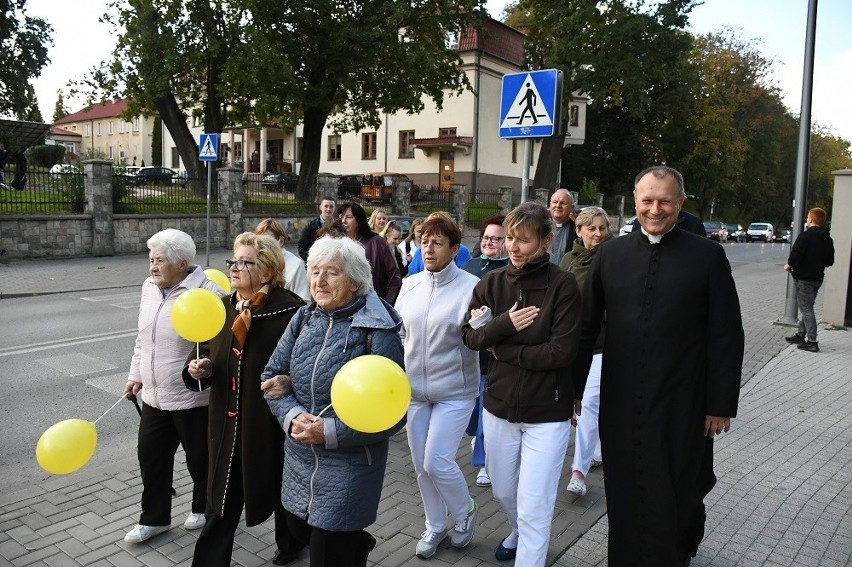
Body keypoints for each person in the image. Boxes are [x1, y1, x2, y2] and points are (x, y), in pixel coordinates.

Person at [575, 165, 743, 565]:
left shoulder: (707, 255)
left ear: (680, 203)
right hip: (622, 401)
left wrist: (719, 404)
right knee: (624, 486)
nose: (655, 209)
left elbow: (726, 333)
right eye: (647, 200)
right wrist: (572, 390)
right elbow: (584, 327)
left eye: (665, 201)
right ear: (634, 201)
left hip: (682, 399)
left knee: (679, 488)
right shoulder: (610, 255)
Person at [263, 237, 405, 567]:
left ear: (355, 281)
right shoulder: (303, 318)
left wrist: (328, 431)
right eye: (314, 272)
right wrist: (293, 416)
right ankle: (355, 542)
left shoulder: (377, 330)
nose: (319, 281)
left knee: (327, 552)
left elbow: (394, 414)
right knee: (299, 528)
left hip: (350, 463)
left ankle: (347, 544)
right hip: (300, 455)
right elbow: (271, 376)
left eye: (332, 273)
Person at [462, 202, 582, 565]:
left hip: (547, 412)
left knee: (535, 502)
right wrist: (504, 326)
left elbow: (560, 352)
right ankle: (517, 531)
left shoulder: (563, 286)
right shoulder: (492, 283)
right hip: (498, 407)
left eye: (524, 240)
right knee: (502, 489)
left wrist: (503, 349)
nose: (513, 247)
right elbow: (469, 337)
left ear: (546, 241)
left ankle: (529, 552)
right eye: (510, 238)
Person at [184, 232, 305, 567]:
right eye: (233, 261)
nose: (234, 269)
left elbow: (307, 368)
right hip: (225, 424)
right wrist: (201, 368)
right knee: (219, 500)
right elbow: (209, 354)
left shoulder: (291, 311)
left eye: (244, 262)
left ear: (266, 271)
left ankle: (294, 542)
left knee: (282, 489)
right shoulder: (221, 309)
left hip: (268, 424)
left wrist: (290, 380)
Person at [123, 228, 225, 544]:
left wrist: (206, 365)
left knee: (201, 461)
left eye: (160, 260)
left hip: (193, 400)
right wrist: (135, 374)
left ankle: (202, 507)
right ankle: (154, 519)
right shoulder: (148, 288)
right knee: (151, 458)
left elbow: (221, 347)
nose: (152, 267)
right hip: (154, 396)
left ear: (181, 263)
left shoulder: (208, 292)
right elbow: (143, 338)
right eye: (150, 259)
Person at [395, 215, 481, 560]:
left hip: (456, 391)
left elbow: (478, 336)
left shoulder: (472, 286)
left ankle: (465, 511)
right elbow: (400, 332)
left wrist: (485, 323)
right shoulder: (409, 284)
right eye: (424, 241)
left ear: (454, 249)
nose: (428, 249)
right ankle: (435, 524)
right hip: (414, 391)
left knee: (437, 461)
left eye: (437, 242)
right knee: (420, 464)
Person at [559, 207, 612, 497]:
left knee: (588, 404)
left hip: (603, 344)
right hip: (572, 345)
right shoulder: (567, 260)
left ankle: (578, 472)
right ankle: (597, 450)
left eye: (602, 228)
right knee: (586, 404)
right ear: (578, 231)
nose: (598, 234)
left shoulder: (614, 259)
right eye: (591, 228)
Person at [460, 213, 509, 487]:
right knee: (471, 412)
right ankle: (478, 440)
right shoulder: (469, 266)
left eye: (497, 238)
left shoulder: (508, 271)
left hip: (493, 357)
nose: (490, 242)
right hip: (467, 353)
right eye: (487, 237)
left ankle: (485, 462)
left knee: (485, 412)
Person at [784, 207, 835, 352]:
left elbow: (796, 253)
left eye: (807, 217)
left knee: (806, 309)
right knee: (808, 307)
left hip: (804, 278)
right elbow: (830, 261)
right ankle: (801, 335)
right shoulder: (827, 238)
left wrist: (789, 264)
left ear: (811, 219)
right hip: (817, 278)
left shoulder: (805, 236)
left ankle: (812, 341)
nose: (807, 219)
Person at [338, 202, 401, 304]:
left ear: (359, 220)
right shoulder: (339, 244)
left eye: (349, 217)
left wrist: (386, 306)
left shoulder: (377, 242)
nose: (344, 221)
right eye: (341, 216)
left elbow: (394, 278)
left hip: (374, 306)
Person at [255, 218, 311, 302]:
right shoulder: (255, 263)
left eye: (267, 242)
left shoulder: (296, 265)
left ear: (280, 241)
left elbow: (304, 300)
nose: (262, 246)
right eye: (259, 242)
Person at [406, 212, 472, 276]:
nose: (429, 249)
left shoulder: (462, 251)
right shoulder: (420, 251)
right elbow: (412, 274)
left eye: (437, 243)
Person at [298, 196, 336, 260]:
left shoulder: (339, 226)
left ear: (334, 208)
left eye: (331, 206)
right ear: (320, 207)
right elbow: (302, 247)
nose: (328, 209)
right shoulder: (311, 226)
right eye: (326, 206)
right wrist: (312, 260)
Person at [547, 188, 576, 264]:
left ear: (572, 208)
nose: (558, 205)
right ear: (550, 205)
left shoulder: (577, 230)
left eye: (562, 203)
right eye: (555, 202)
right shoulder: (539, 226)